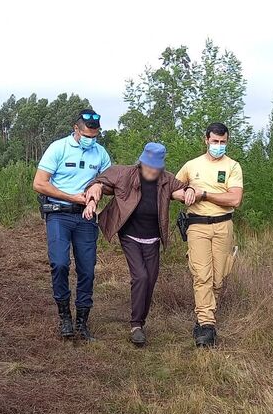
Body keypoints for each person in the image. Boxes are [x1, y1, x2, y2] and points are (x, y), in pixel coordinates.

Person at [83, 143, 197, 346]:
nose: (153, 171)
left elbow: (182, 189)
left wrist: (189, 191)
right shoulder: (123, 173)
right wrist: (93, 195)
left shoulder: (166, 179)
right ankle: (136, 325)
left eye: (156, 167)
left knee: (151, 279)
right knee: (141, 276)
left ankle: (140, 322)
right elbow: (99, 182)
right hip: (130, 235)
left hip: (153, 238)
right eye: (149, 166)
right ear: (142, 162)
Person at [32, 108, 112, 341]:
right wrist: (72, 197)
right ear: (76, 130)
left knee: (87, 268)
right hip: (59, 213)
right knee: (59, 263)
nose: (91, 140)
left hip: (86, 215)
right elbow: (39, 183)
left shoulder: (101, 153)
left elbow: (109, 183)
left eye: (95, 136)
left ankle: (82, 320)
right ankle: (64, 315)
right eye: (87, 135)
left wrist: (97, 189)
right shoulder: (58, 148)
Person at [174, 122, 244, 347]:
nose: (219, 146)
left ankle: (206, 314)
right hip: (197, 225)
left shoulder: (233, 166)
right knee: (201, 275)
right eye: (215, 141)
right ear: (206, 140)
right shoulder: (191, 165)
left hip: (223, 225)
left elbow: (234, 199)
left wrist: (204, 193)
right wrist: (187, 193)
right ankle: (206, 325)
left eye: (223, 142)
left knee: (218, 277)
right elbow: (173, 190)